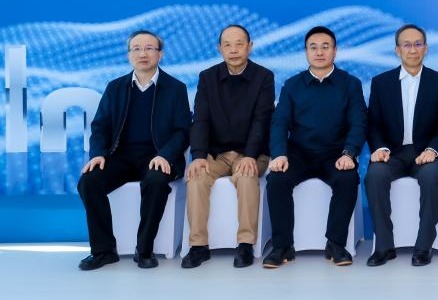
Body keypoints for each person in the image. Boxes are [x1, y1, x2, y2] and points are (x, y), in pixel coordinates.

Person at [77, 30, 191, 270]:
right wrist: (97, 154)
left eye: (149, 48)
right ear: (129, 55)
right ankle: (103, 251)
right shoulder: (115, 87)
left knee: (156, 181)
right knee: (89, 182)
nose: (143, 54)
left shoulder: (175, 88)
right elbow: (100, 126)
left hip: (157, 156)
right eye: (136, 49)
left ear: (160, 54)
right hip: (121, 156)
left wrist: (165, 155)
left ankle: (145, 249)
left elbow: (183, 130)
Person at [262, 26, 367, 268]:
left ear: (335, 51)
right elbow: (279, 123)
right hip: (299, 154)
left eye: (325, 47)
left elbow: (359, 122)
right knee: (276, 180)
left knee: (347, 179)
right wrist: (279, 154)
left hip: (336, 154)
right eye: (313, 47)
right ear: (306, 52)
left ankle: (336, 244)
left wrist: (349, 153)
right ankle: (282, 247)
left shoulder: (350, 84)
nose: (319, 52)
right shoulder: (292, 85)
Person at [181, 24, 275, 269]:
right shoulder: (207, 77)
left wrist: (250, 155)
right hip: (217, 154)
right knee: (196, 176)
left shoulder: (264, 77)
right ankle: (198, 246)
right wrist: (199, 155)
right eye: (227, 45)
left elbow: (262, 120)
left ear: (249, 47)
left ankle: (245, 244)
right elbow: (200, 119)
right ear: (219, 48)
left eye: (239, 44)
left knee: (246, 176)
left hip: (251, 153)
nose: (233, 50)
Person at [364, 24, 438, 267]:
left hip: (425, 153)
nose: (412, 50)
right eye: (406, 45)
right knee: (374, 175)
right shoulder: (381, 83)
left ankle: (423, 247)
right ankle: (384, 246)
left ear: (425, 48)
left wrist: (433, 150)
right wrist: (379, 148)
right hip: (391, 154)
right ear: (397, 50)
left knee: (433, 175)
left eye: (417, 44)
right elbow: (373, 123)